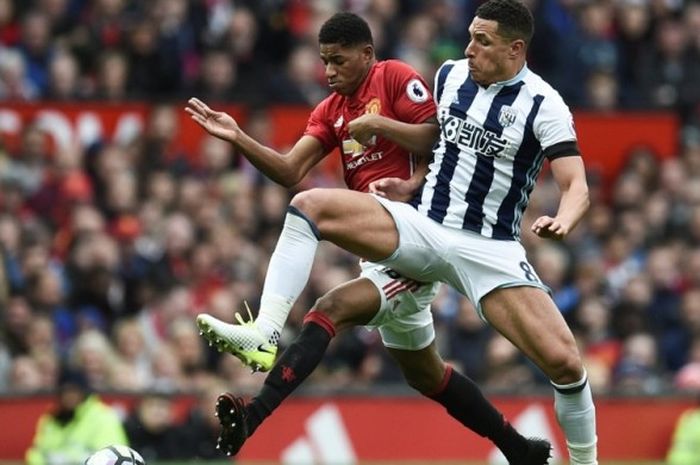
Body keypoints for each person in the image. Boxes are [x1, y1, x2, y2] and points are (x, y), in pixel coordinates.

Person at [187, 11, 551, 465]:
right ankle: (521, 450)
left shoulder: (394, 77)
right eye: (324, 62)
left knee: (313, 227)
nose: (329, 72)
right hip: (381, 244)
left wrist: (381, 127)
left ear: (367, 54)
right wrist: (237, 136)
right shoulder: (330, 110)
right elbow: (288, 170)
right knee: (426, 375)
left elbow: (439, 136)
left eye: (338, 61)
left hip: (420, 233)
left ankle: (263, 344)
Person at [25, 367, 129, 465]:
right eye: (65, 391)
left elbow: (112, 459)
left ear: (84, 392)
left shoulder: (104, 417)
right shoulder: (50, 420)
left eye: (74, 391)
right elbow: (37, 454)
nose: (69, 396)